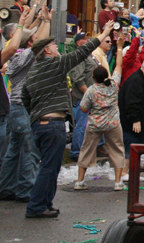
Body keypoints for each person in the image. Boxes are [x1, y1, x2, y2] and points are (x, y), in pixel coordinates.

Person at [20, 19, 113, 218]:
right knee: (48, 168)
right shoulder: (55, 64)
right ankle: (35, 207)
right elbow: (80, 53)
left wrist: (35, 114)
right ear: (47, 51)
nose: (56, 47)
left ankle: (45, 203)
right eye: (53, 46)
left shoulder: (33, 72)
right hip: (53, 124)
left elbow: (24, 97)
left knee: (50, 167)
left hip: (39, 124)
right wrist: (103, 33)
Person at [0, 8, 38, 201]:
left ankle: (6, 187)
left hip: (9, 107)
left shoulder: (14, 57)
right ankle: (25, 190)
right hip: (17, 107)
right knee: (25, 148)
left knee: (12, 149)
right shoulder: (20, 56)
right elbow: (15, 47)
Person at [74, 54, 125, 192]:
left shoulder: (91, 90)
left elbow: (83, 109)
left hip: (94, 124)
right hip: (113, 123)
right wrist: (119, 48)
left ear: (93, 77)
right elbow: (119, 66)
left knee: (86, 150)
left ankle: (79, 181)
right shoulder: (114, 85)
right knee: (117, 149)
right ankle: (118, 182)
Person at [119, 56, 144, 183]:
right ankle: (124, 172)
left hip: (142, 119)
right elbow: (132, 102)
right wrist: (135, 119)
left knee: (137, 146)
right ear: (143, 67)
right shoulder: (135, 80)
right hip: (133, 121)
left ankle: (131, 172)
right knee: (130, 146)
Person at [67, 32, 98, 160]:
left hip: (92, 97)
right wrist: (89, 94)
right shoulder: (79, 57)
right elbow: (77, 79)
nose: (88, 40)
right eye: (85, 39)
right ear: (78, 43)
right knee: (81, 124)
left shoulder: (88, 56)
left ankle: (91, 149)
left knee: (90, 125)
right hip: (83, 99)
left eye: (88, 38)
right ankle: (76, 152)